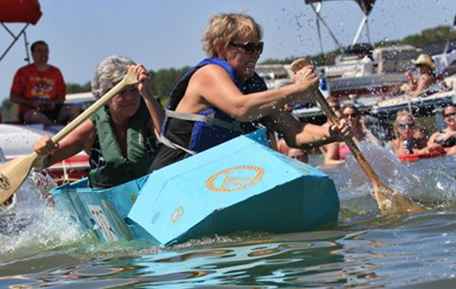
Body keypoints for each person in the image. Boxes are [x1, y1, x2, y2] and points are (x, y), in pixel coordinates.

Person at [150, 13, 350, 170]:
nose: (255, 54)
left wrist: (330, 132)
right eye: (248, 47)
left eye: (258, 47)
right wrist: (297, 89)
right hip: (173, 173)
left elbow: (294, 132)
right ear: (221, 47)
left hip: (212, 179)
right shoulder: (209, 74)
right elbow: (240, 108)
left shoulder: (253, 85)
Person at [33, 55, 164, 188]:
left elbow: (169, 139)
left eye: (134, 90)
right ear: (105, 97)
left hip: (152, 191)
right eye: (122, 92)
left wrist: (147, 93)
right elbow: (43, 162)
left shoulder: (151, 113)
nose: (130, 97)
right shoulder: (90, 129)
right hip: (110, 199)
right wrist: (42, 150)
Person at [10, 40, 67, 125]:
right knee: (35, 116)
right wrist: (31, 103)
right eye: (40, 51)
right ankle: (54, 131)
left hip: (53, 110)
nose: (43, 54)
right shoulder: (23, 72)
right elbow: (13, 97)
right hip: (31, 111)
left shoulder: (56, 72)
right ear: (32, 54)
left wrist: (53, 103)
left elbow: (62, 97)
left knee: (74, 109)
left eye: (46, 51)